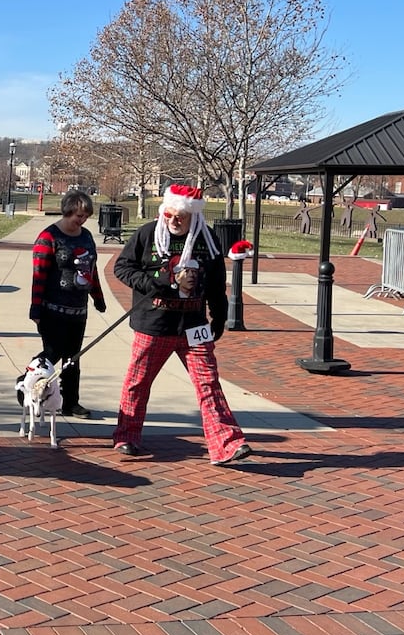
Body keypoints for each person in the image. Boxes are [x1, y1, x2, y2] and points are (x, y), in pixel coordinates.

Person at [110, 184, 251, 465]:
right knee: (138, 382)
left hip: (194, 325)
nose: (174, 220)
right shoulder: (148, 233)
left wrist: (219, 315)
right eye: (169, 214)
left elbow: (214, 282)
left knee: (208, 383)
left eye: (181, 216)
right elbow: (122, 267)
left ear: (193, 217)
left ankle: (227, 444)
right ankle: (127, 436)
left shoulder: (207, 238)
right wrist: (154, 283)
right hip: (154, 324)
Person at [28, 189, 107, 418]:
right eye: (77, 216)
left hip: (78, 309)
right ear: (67, 211)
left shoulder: (87, 237)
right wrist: (36, 307)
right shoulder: (49, 237)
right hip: (52, 308)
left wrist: (98, 298)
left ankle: (71, 402)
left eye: (84, 217)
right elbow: (39, 274)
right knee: (52, 353)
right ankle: (28, 381)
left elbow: (91, 271)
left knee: (73, 357)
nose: (80, 221)